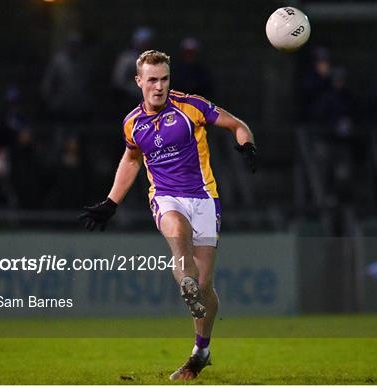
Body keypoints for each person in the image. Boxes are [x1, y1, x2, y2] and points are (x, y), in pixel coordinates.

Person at [79, 50, 256, 380]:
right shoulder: (133, 123)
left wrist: (246, 144)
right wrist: (111, 202)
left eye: (164, 79)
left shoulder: (191, 106)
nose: (158, 87)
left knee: (206, 287)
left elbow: (238, 125)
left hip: (204, 198)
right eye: (152, 80)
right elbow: (132, 160)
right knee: (177, 235)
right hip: (165, 196)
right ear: (138, 81)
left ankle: (201, 350)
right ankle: (185, 284)